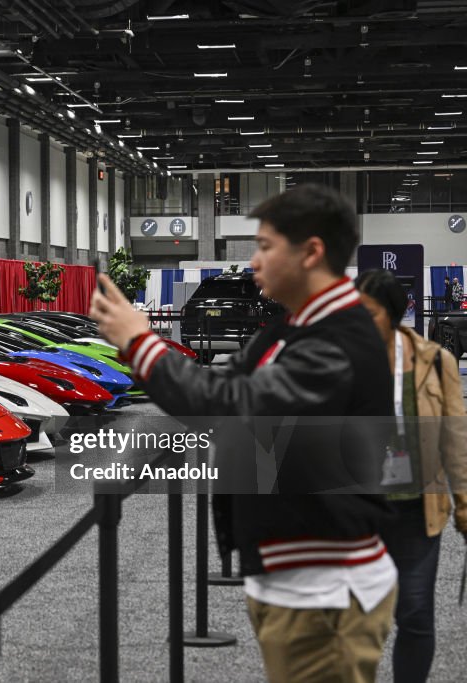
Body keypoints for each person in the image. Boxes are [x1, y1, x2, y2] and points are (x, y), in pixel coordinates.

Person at [90, 184, 397, 683]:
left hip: (324, 588)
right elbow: (220, 389)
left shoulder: (337, 339)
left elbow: (233, 407)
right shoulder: (293, 331)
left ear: (311, 252)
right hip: (295, 579)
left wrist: (140, 343)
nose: (254, 261)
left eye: (266, 246)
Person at [355, 269, 467, 683]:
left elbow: (456, 441)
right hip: (358, 513)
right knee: (356, 619)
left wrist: (465, 507)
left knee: (416, 614)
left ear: (391, 313)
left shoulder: (435, 362)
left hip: (418, 511)